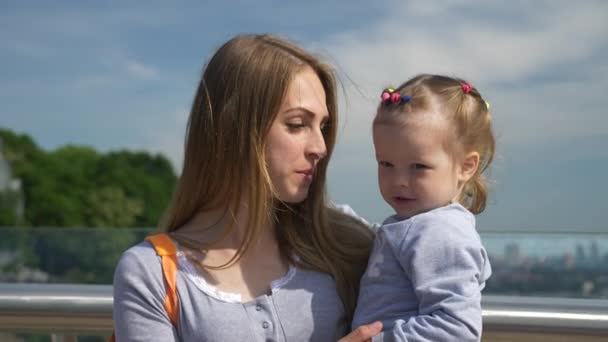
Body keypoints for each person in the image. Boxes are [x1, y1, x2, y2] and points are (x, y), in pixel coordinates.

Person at [112, 33, 383, 341]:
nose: (320, 147)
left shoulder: (347, 241)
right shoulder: (151, 274)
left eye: (323, 127)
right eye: (297, 124)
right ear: (235, 128)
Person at [352, 74, 495, 341]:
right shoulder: (421, 224)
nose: (399, 181)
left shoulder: (439, 232)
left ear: (466, 166)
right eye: (386, 164)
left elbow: (456, 330)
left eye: (418, 167)